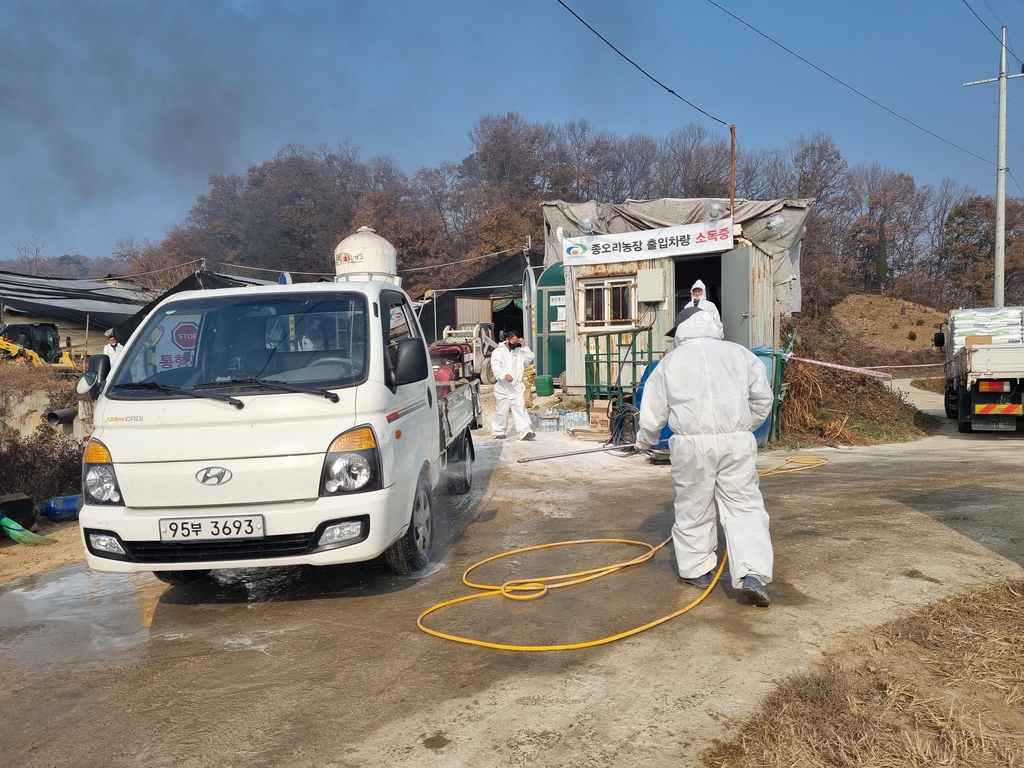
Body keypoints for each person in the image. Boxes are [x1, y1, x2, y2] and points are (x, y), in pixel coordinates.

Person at [635, 306, 774, 607]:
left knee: (693, 505)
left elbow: (652, 413)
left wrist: (644, 441)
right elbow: (764, 400)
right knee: (745, 506)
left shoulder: (670, 362)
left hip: (692, 445)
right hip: (737, 441)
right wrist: (743, 428)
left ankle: (698, 571)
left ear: (680, 332)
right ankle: (752, 573)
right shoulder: (741, 355)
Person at [490, 329, 536, 441]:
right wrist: (503, 375)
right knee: (502, 410)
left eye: (517, 342)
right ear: (507, 340)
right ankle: (498, 431)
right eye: (513, 342)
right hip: (503, 387)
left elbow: (529, 359)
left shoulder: (519, 351)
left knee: (520, 408)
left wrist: (524, 347)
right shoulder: (498, 352)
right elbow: (495, 367)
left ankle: (525, 431)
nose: (515, 344)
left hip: (516, 387)